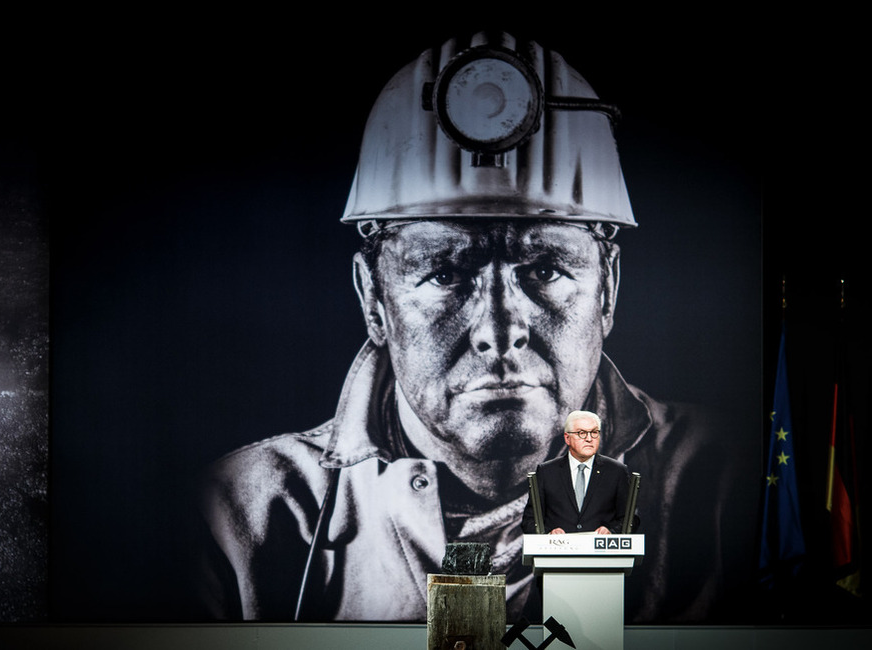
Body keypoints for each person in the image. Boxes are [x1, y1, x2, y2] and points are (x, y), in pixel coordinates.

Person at [197, 30, 735, 624]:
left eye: (546, 269)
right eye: (446, 274)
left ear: (607, 289)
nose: (500, 330)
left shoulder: (731, 484)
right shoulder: (244, 516)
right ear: (374, 299)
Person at [522, 410, 636, 536]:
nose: (589, 439)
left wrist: (611, 531)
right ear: (567, 438)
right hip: (559, 553)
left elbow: (630, 519)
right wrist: (549, 533)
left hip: (601, 553)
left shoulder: (616, 471)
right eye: (581, 433)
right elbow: (529, 521)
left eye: (594, 433)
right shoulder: (546, 472)